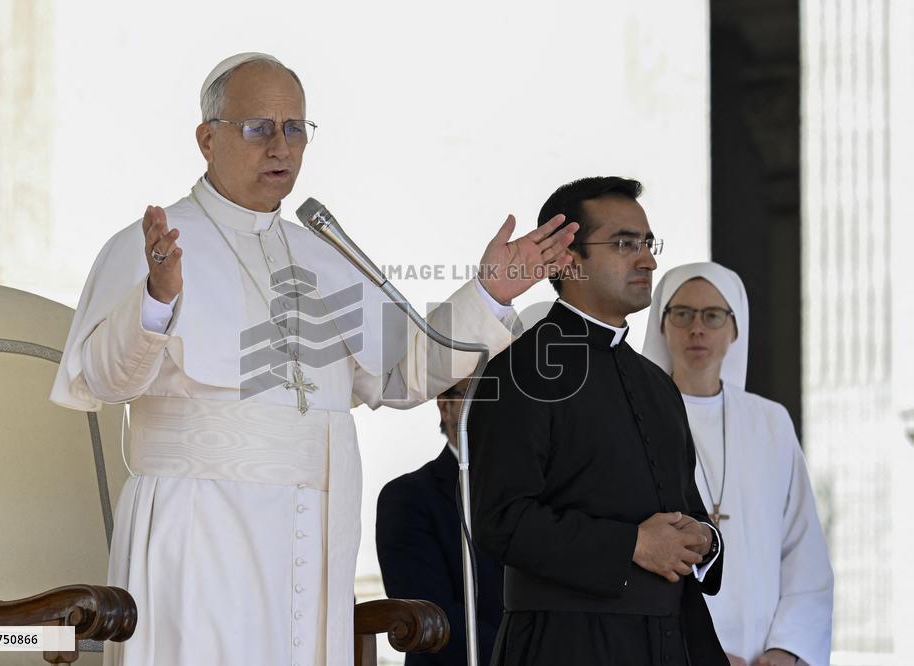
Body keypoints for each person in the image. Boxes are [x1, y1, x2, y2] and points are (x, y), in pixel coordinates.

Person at [48, 52, 578, 666]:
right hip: (199, 531)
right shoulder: (154, 245)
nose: (281, 145)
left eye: (295, 128)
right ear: (206, 137)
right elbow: (107, 380)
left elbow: (402, 376)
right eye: (258, 127)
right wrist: (156, 301)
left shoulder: (323, 253)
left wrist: (490, 293)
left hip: (312, 534)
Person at [468, 176, 727, 666]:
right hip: (567, 643)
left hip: (671, 638)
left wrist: (704, 539)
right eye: (625, 243)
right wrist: (632, 544)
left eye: (648, 244)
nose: (647, 259)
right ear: (568, 257)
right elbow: (499, 520)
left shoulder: (656, 382)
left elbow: (685, 507)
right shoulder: (523, 367)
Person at [641, 262, 833, 666]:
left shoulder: (770, 421)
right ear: (661, 324)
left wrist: (789, 649)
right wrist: (700, 653)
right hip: (674, 651)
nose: (697, 328)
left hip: (765, 653)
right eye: (682, 314)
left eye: (712, 315)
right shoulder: (637, 419)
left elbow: (803, 548)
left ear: (734, 328)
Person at [376, 378, 504, 665]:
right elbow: (435, 616)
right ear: (445, 406)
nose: (491, 408)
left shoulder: (537, 493)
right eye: (475, 395)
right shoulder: (408, 498)